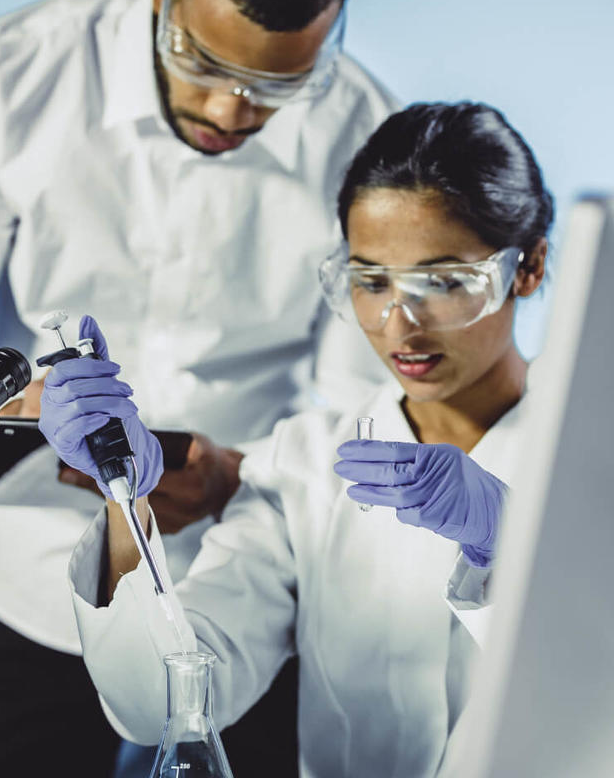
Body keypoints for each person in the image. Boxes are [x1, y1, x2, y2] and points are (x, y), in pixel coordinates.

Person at [0, 0, 399, 774]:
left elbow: (368, 407)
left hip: (247, 576)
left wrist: (237, 477)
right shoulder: (12, 75)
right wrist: (48, 431)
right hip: (40, 575)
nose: (230, 110)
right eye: (205, 63)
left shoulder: (362, 132)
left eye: (277, 88)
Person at [41, 101, 553, 776]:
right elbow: (164, 704)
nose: (400, 324)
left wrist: (509, 541)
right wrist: (123, 500)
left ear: (528, 268)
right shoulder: (305, 467)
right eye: (370, 281)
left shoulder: (611, 456)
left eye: (445, 282)